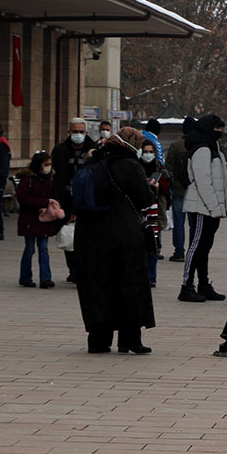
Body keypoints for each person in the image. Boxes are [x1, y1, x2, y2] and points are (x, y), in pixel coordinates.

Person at [74, 126, 156, 354]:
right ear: (132, 145)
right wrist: (152, 188)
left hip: (90, 234)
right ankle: (130, 339)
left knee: (99, 285)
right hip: (123, 233)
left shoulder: (95, 161)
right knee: (129, 283)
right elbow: (145, 199)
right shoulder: (130, 165)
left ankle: (98, 340)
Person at [180, 115, 227, 303]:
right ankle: (186, 285)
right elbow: (203, 181)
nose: (220, 132)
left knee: (205, 246)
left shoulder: (212, 147)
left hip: (211, 208)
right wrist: (214, 207)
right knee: (196, 244)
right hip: (201, 206)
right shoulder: (202, 149)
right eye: (217, 128)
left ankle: (203, 284)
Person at [51, 117, 98, 281]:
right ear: (69, 132)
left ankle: (85, 268)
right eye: (74, 132)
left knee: (87, 236)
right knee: (68, 234)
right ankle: (73, 269)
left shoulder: (95, 150)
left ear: (86, 133)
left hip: (87, 199)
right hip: (66, 199)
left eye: (81, 132)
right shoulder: (60, 151)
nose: (78, 135)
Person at [14, 151, 57, 288]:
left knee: (43, 248)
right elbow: (22, 198)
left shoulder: (50, 179)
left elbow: (55, 195)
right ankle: (25, 277)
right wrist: (43, 202)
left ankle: (46, 278)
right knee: (30, 248)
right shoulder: (28, 179)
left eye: (50, 164)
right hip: (30, 219)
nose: (48, 167)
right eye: (46, 164)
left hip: (44, 219)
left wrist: (53, 204)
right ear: (39, 165)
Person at [164, 116, 195, 262]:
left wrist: (172, 184)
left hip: (178, 190)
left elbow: (168, 168)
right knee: (194, 224)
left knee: (179, 223)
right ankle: (193, 250)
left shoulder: (175, 146)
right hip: (195, 192)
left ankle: (179, 251)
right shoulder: (198, 147)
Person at [138, 141, 168, 287]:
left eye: (151, 152)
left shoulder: (159, 167)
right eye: (145, 151)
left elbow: (166, 189)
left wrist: (161, 182)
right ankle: (142, 275)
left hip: (155, 211)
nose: (148, 154)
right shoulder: (136, 166)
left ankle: (152, 276)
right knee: (141, 245)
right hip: (141, 211)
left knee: (154, 245)